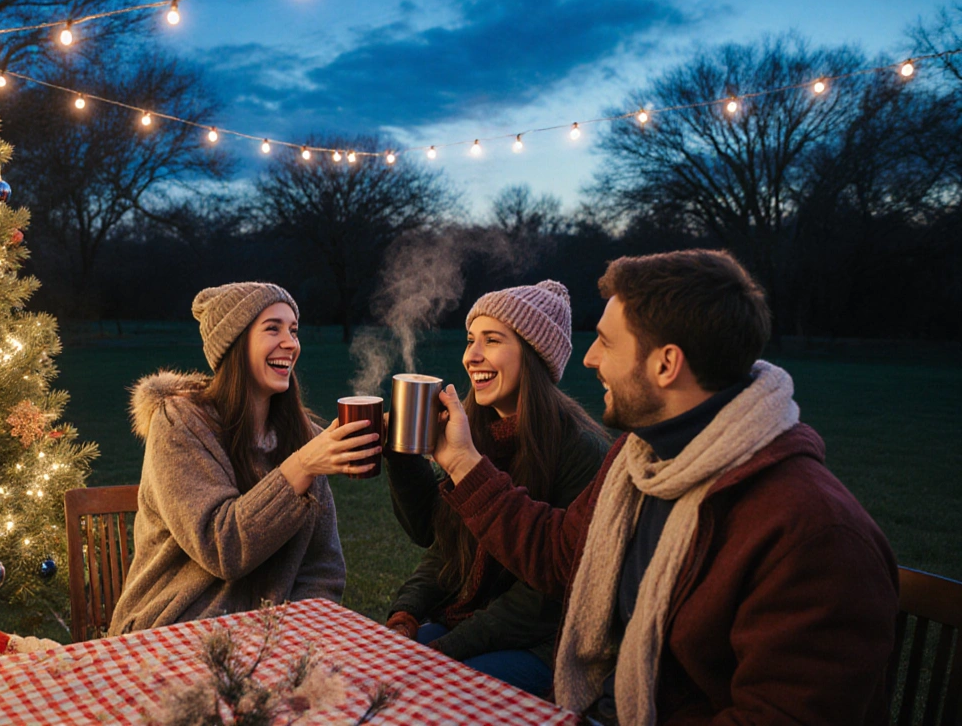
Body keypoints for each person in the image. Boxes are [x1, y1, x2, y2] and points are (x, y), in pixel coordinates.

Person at [427, 251, 898, 724]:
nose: (589, 358)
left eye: (608, 344)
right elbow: (560, 555)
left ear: (666, 364)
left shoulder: (812, 533)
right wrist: (465, 463)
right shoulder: (640, 460)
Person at [109, 282, 379, 634]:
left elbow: (323, 569)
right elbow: (223, 548)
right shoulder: (179, 424)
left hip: (269, 637)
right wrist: (302, 466)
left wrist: (296, 635)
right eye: (273, 328)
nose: (290, 343)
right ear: (234, 342)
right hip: (171, 630)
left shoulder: (304, 436)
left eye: (293, 330)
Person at [383, 281, 608, 695]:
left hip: (549, 644)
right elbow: (441, 540)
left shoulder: (579, 451)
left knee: (436, 690)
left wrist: (445, 648)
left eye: (492, 340)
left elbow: (543, 602)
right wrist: (407, 616)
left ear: (534, 354)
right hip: (477, 624)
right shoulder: (477, 432)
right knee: (382, 671)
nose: (472, 356)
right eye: (471, 340)